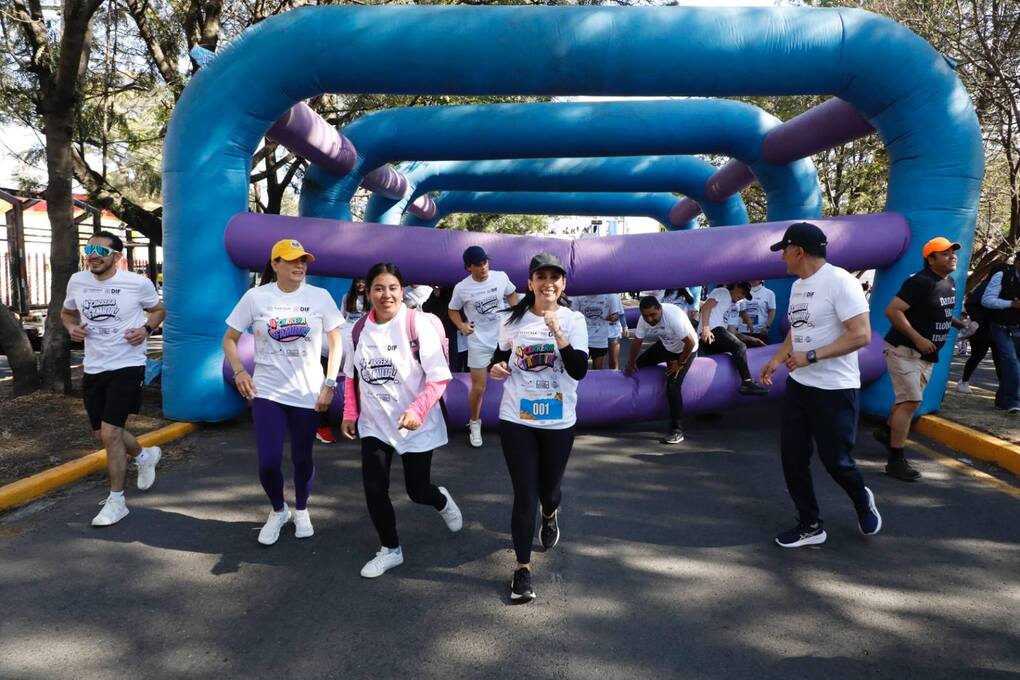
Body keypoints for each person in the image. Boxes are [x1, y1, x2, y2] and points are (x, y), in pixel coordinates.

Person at [759, 222, 881, 548]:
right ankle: (810, 524)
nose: (781, 257)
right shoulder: (799, 286)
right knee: (793, 458)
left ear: (798, 251)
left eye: (784, 250)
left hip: (835, 389)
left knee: (836, 461)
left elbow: (861, 335)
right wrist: (777, 358)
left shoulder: (841, 282)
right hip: (800, 386)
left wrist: (810, 356)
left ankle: (860, 498)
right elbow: (796, 330)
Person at [341, 263, 462, 578]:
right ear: (367, 292)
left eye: (392, 287)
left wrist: (417, 410)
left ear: (402, 290)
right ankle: (390, 549)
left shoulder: (416, 324)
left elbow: (439, 378)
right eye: (378, 288)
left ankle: (441, 500)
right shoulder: (354, 331)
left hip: (416, 424)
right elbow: (351, 377)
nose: (386, 295)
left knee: (417, 490)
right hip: (374, 424)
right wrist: (350, 414)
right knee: (374, 488)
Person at [223, 239, 342, 545]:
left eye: (303, 260)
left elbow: (337, 342)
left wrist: (330, 384)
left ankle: (302, 508)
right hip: (268, 393)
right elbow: (230, 339)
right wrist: (239, 371)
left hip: (308, 393)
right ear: (275, 264)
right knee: (268, 462)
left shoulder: (320, 297)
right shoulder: (255, 297)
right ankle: (279, 510)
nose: (299, 265)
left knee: (303, 459)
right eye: (291, 260)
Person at [489, 252, 588, 604]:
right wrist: (497, 369)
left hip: (559, 421)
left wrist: (557, 330)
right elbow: (498, 359)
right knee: (524, 495)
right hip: (518, 418)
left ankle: (551, 513)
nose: (548, 283)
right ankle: (522, 569)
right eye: (540, 277)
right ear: (530, 283)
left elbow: (578, 370)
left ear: (563, 284)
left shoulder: (574, 320)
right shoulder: (511, 320)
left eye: (555, 277)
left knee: (549, 492)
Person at [62, 231, 166, 527]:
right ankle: (145, 456)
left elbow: (159, 310)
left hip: (128, 364)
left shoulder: (137, 284)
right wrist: (71, 328)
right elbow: (66, 313)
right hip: (94, 367)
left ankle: (117, 501)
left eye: (99, 250)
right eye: (88, 248)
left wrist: (146, 330)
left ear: (117, 257)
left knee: (110, 434)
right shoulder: (77, 281)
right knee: (104, 435)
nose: (92, 255)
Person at [876, 237, 968, 481]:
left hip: (927, 355)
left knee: (906, 399)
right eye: (945, 253)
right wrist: (917, 338)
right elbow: (893, 311)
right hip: (903, 350)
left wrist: (958, 323)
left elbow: (938, 310)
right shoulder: (920, 281)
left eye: (953, 252)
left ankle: (887, 431)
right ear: (930, 259)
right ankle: (895, 462)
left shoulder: (948, 281)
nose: (952, 256)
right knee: (911, 402)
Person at [449, 246, 519, 447]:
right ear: (468, 267)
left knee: (517, 377)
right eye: (478, 265)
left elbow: (512, 293)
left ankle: (517, 422)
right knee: (479, 387)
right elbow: (453, 309)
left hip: (504, 339)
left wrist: (515, 315)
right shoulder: (462, 288)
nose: (483, 267)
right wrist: (461, 325)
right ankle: (474, 423)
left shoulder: (501, 277)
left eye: (485, 262)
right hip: (479, 341)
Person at [625, 296, 699, 444]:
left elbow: (690, 343)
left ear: (660, 309)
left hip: (685, 350)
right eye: (646, 316)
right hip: (666, 346)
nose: (650, 319)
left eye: (653, 315)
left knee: (673, 386)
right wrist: (631, 362)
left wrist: (680, 363)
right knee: (639, 364)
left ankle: (677, 430)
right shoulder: (643, 319)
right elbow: (637, 342)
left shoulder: (673, 317)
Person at [699, 283, 769, 396]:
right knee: (739, 346)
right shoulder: (722, 291)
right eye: (742, 292)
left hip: (712, 336)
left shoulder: (729, 306)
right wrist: (706, 329)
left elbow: (732, 334)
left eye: (745, 295)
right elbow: (706, 306)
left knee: (713, 375)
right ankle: (747, 382)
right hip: (711, 332)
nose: (743, 296)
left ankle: (706, 411)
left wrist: (752, 339)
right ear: (736, 286)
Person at [981, 252, 1020, 415]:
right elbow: (986, 300)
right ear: (1017, 262)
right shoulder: (1002, 275)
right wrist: (1011, 303)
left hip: (1018, 327)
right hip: (1000, 326)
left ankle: (1002, 400)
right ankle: (1015, 401)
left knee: (1013, 365)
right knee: (1011, 362)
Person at [956, 266, 1004, 394]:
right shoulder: (986, 286)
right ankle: (964, 381)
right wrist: (979, 321)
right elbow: (970, 303)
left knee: (999, 359)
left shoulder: (1002, 287)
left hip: (996, 328)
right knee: (977, 356)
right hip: (982, 329)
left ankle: (1004, 388)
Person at [573, 293, 617, 369]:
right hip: (582, 339)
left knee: (597, 369)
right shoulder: (578, 295)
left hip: (599, 340)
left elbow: (616, 315)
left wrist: (613, 317)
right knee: (580, 369)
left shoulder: (610, 295)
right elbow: (573, 315)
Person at [606, 293, 628, 370]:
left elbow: (621, 314)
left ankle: (614, 379)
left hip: (613, 332)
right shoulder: (596, 296)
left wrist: (625, 327)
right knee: (598, 362)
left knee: (614, 360)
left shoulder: (615, 296)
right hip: (598, 333)